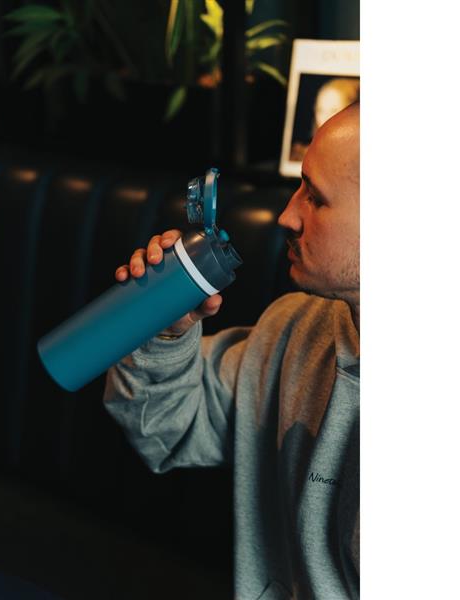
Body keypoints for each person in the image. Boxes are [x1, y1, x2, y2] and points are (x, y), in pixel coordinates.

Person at [104, 102, 360, 599]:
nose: (287, 215)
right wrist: (166, 330)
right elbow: (167, 430)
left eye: (316, 198)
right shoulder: (293, 328)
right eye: (300, 186)